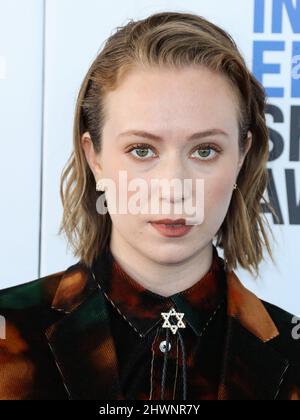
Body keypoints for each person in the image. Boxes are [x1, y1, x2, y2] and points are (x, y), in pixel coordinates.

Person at [0, 11, 299, 400]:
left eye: (205, 150)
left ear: (242, 155)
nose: (174, 188)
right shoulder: (9, 333)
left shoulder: (291, 353)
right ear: (96, 158)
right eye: (142, 150)